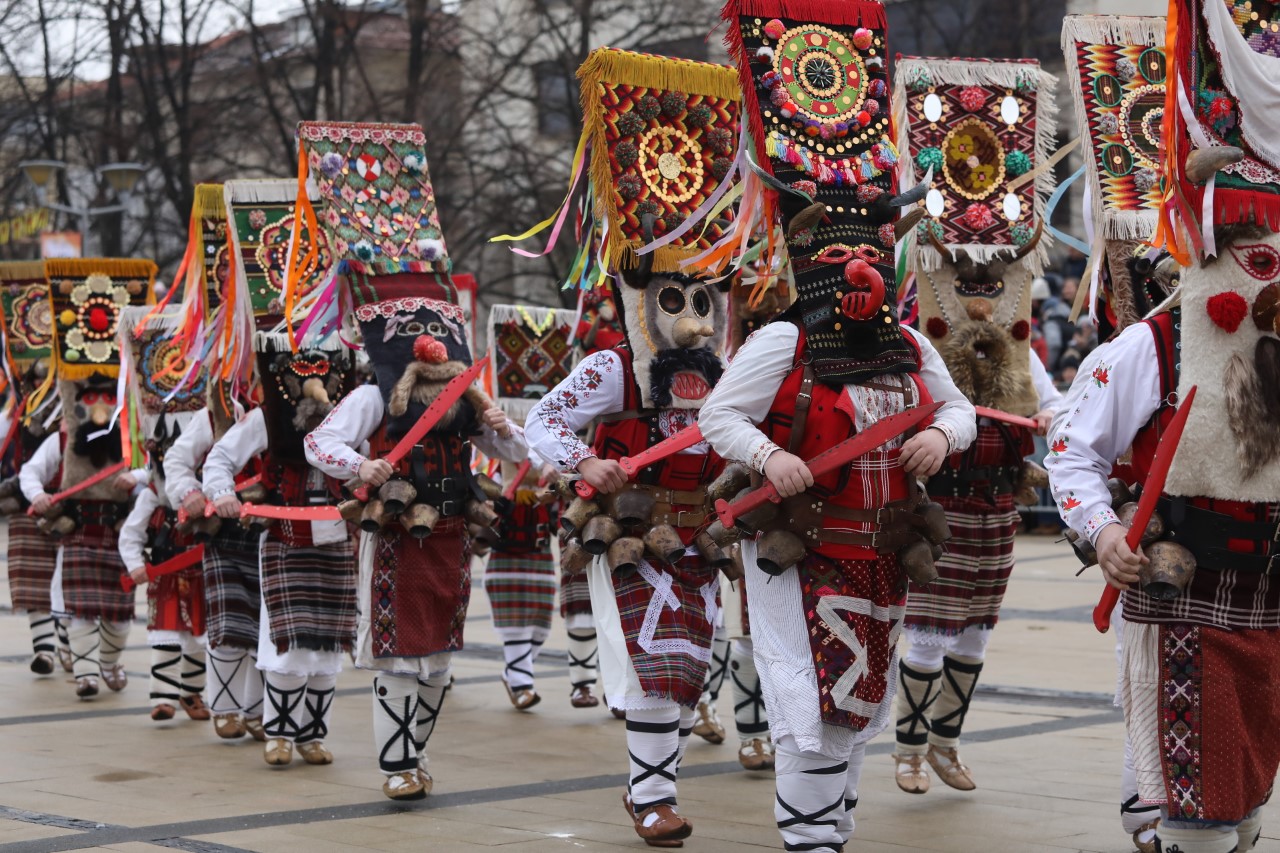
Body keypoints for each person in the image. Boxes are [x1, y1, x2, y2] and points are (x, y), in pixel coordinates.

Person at [700, 6, 977, 850]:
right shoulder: (782, 339)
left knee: (857, 708)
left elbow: (959, 406)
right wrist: (770, 452)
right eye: (839, 259)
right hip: (799, 546)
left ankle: (831, 834)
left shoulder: (911, 342)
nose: (858, 274)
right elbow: (718, 415)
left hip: (883, 547)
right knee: (808, 706)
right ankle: (811, 841)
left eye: (872, 259)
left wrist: (946, 438)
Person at [519, 46, 744, 847]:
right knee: (658, 665)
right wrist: (583, 461)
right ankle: (652, 799)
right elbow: (539, 422)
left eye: (706, 300)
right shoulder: (615, 366)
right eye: (673, 299)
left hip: (705, 533)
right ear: (639, 296)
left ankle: (654, 784)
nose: (692, 319)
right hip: (630, 533)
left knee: (691, 670)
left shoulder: (729, 371)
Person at [891, 52, 1065, 796]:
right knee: (929, 628)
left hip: (997, 501)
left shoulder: (1021, 349)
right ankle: (905, 745)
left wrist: (1057, 417)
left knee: (974, 632)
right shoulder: (918, 338)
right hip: (939, 502)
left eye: (991, 285)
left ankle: (946, 742)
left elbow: (1048, 398)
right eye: (967, 284)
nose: (981, 299)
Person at [203, 332, 356, 768]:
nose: (316, 384)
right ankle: (279, 735)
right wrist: (221, 492)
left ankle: (311, 736)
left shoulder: (351, 417)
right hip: (286, 542)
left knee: (328, 646)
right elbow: (220, 458)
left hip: (337, 544)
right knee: (286, 643)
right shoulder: (267, 419)